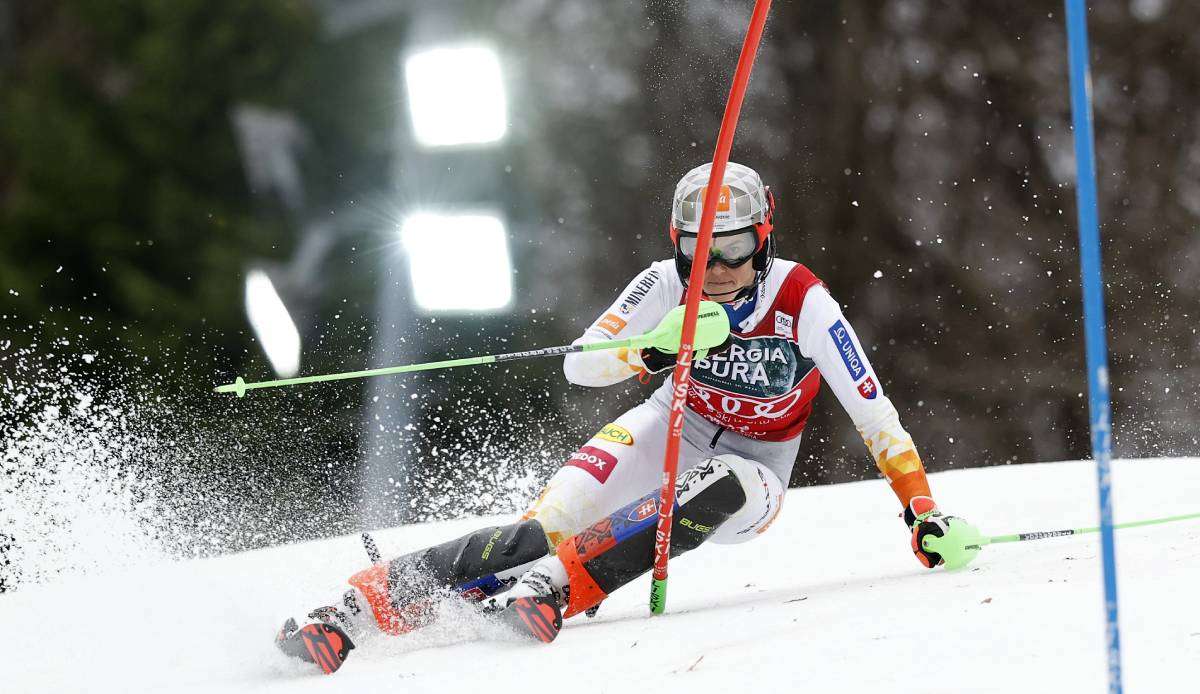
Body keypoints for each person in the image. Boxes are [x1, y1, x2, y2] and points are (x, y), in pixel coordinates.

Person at [275, 162, 977, 674]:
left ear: (763, 238)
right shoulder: (665, 282)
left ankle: (559, 587)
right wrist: (655, 346)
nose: (719, 265)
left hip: (757, 471)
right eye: (700, 248)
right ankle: (354, 612)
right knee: (539, 529)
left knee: (716, 484)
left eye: (734, 247)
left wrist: (922, 512)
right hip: (672, 420)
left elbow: (873, 410)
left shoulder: (803, 301)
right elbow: (580, 362)